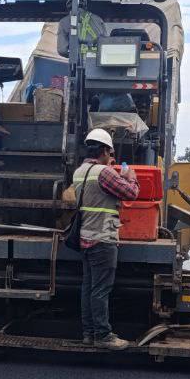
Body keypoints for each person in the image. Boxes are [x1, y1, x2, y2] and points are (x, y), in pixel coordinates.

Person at [73, 128, 139, 350]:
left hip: (85, 237)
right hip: (103, 238)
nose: (111, 157)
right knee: (101, 290)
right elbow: (130, 194)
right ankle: (103, 335)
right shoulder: (104, 172)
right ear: (103, 150)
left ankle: (89, 333)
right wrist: (132, 178)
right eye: (110, 153)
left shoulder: (80, 172)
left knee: (89, 288)